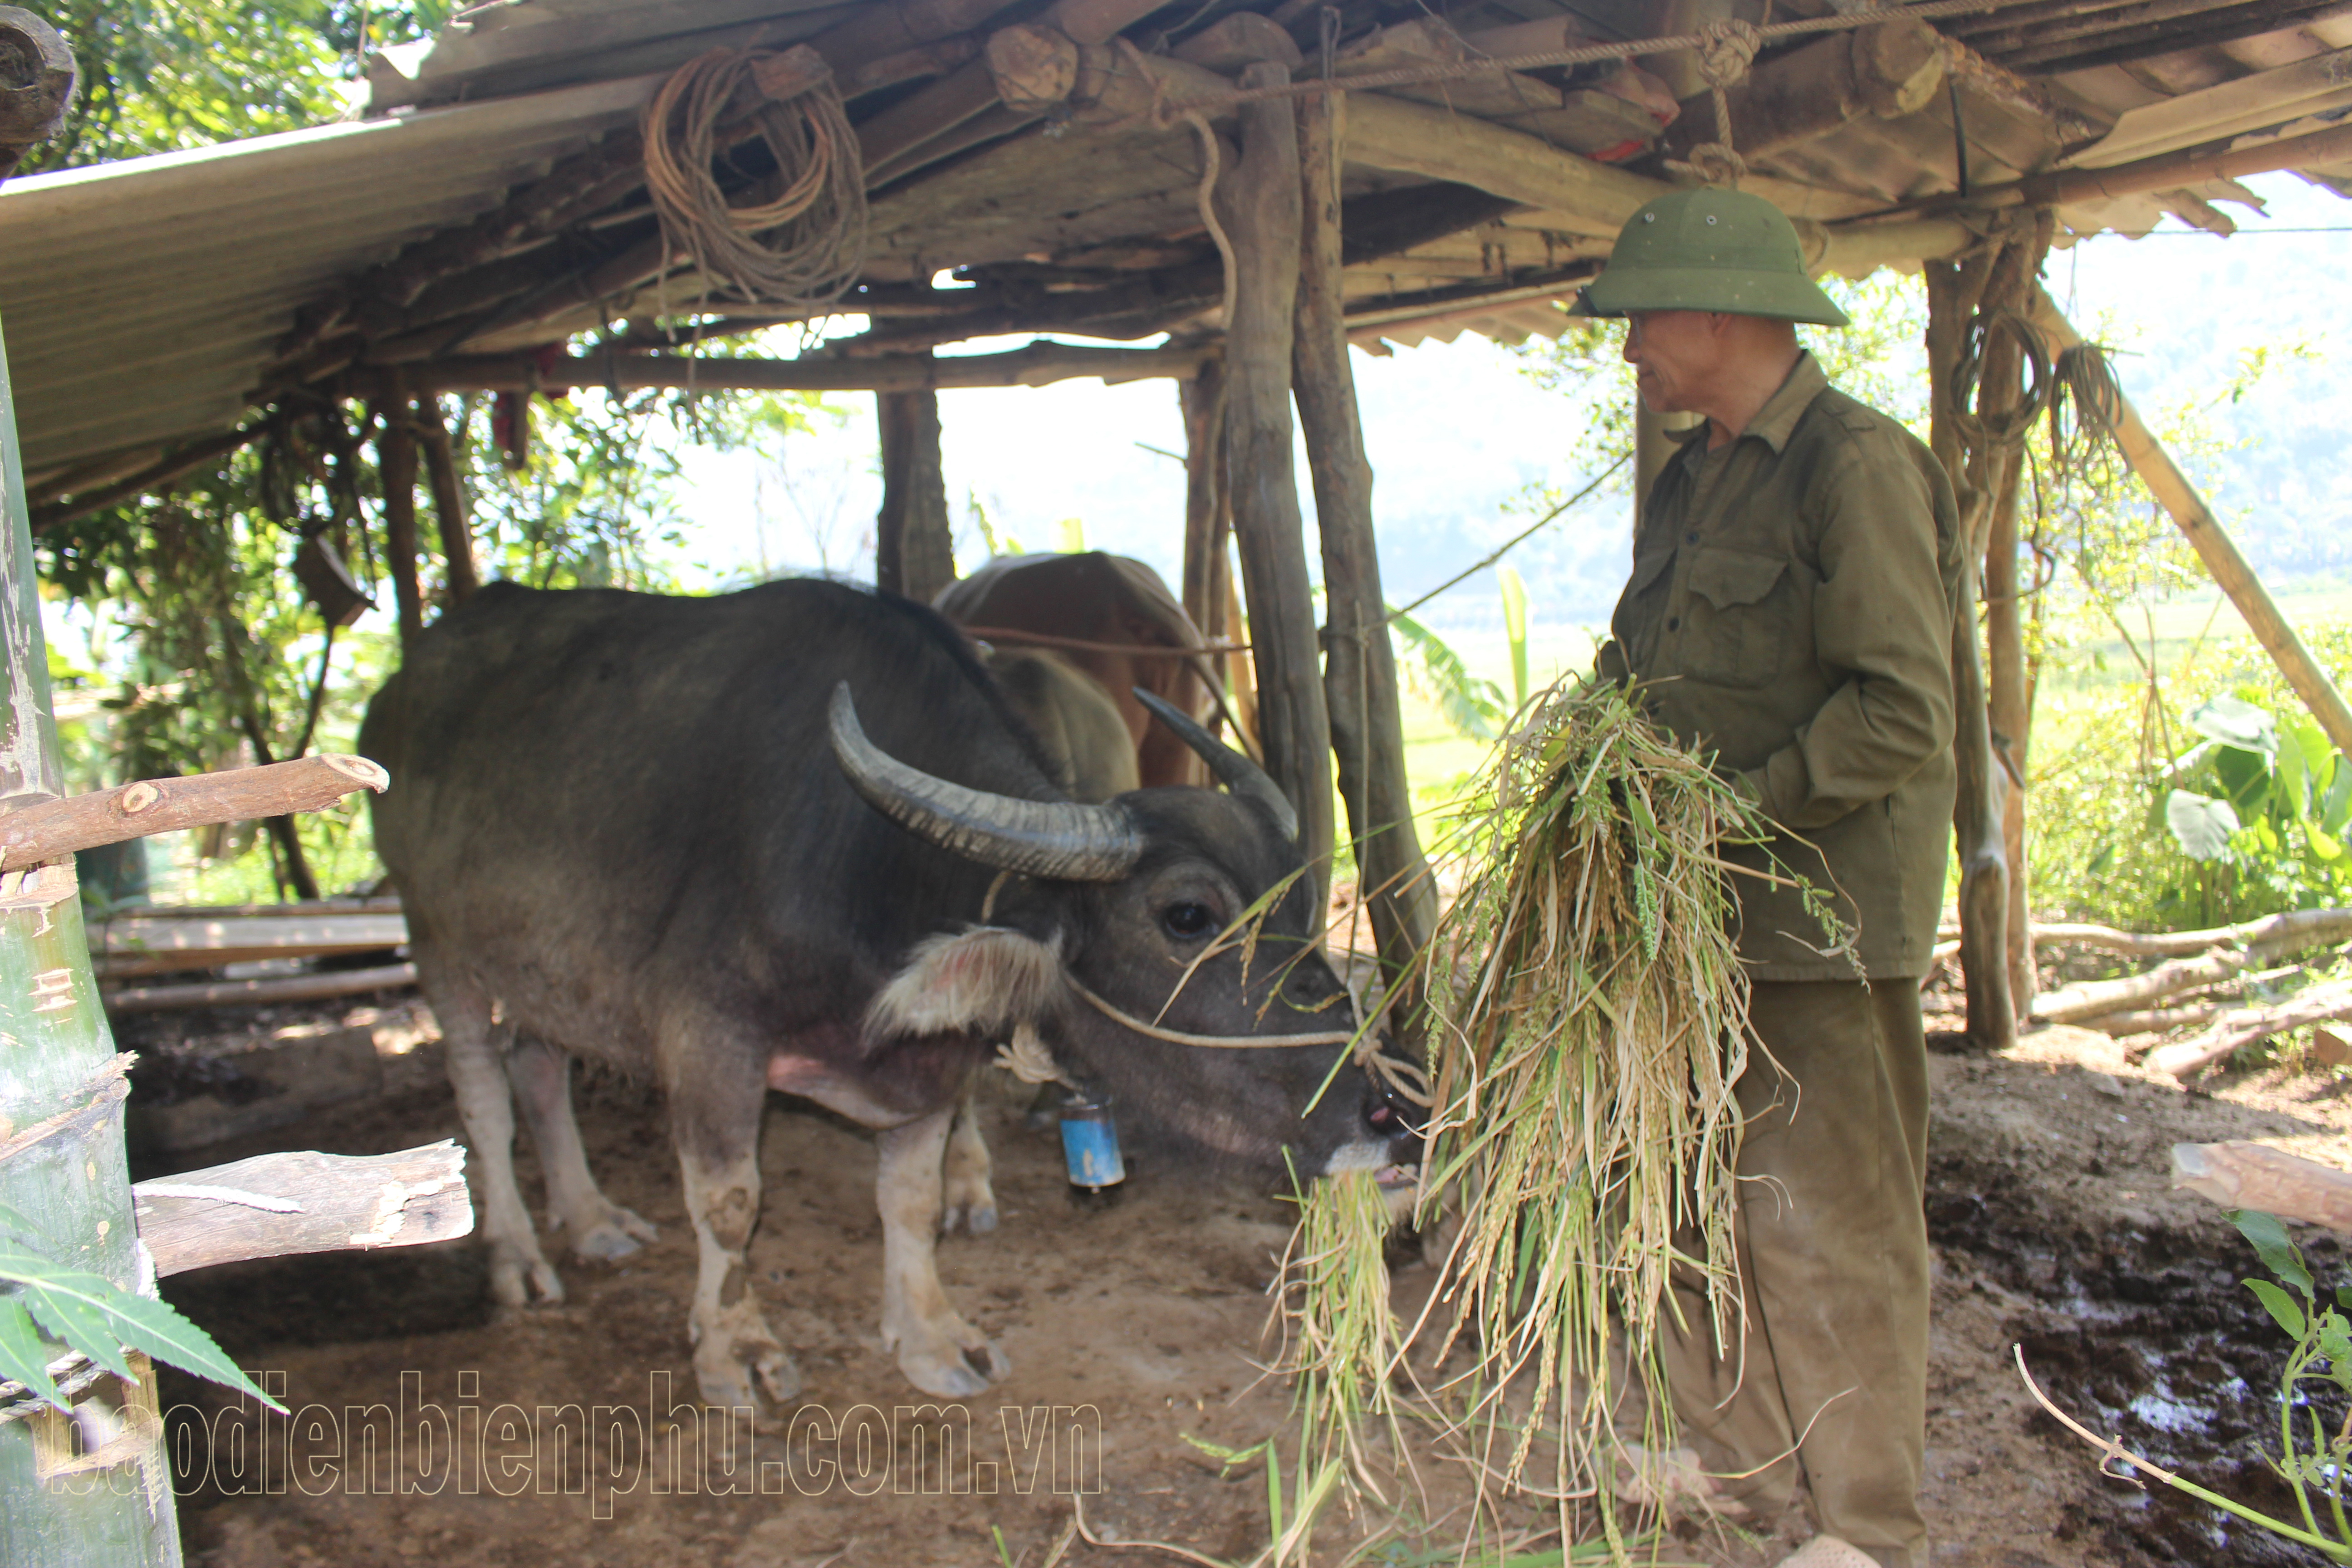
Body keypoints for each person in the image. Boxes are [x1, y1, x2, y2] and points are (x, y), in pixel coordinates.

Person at [1580, 187, 1963, 1568]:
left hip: (1817, 924)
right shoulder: (1698, 474)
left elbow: (1903, 708)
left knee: (1827, 1227)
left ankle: (1867, 1527)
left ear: (1718, 313)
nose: (1628, 350)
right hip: (1690, 926)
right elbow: (1656, 672)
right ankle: (1727, 1463)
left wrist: (1731, 816)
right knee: (1682, 1193)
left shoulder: (1855, 469)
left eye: (1640, 321)